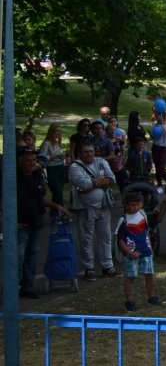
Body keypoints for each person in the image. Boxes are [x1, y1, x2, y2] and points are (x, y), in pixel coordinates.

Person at [18, 150, 70, 298]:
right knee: (18, 257)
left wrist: (57, 207)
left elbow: (42, 199)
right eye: (28, 160)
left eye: (34, 160)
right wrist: (11, 222)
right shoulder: (13, 178)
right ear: (21, 162)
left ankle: (27, 287)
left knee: (32, 257)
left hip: (37, 223)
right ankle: (11, 287)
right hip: (20, 224)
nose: (31, 163)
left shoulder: (38, 176)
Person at [69, 141, 118, 280]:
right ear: (79, 153)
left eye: (91, 151)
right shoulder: (75, 167)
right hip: (85, 209)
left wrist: (92, 184)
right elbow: (83, 184)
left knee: (105, 237)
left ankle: (107, 266)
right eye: (86, 152)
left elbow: (112, 179)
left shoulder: (101, 162)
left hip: (103, 207)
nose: (89, 154)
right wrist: (101, 180)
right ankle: (89, 268)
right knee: (86, 239)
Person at [117, 192, 164, 312]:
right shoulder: (123, 220)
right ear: (126, 205)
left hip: (145, 250)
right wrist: (129, 253)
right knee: (131, 276)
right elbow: (119, 240)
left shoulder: (142, 215)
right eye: (132, 205)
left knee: (149, 274)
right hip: (131, 253)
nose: (136, 207)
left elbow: (146, 232)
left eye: (138, 204)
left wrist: (150, 248)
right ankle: (129, 301)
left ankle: (152, 297)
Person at [37, 123, 68, 208]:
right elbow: (42, 157)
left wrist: (64, 157)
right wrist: (56, 156)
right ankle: (60, 212)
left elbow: (59, 156)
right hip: (51, 169)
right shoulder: (47, 143)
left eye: (60, 131)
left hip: (60, 167)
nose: (59, 133)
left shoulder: (57, 143)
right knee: (57, 191)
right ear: (52, 131)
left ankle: (55, 212)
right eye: (57, 131)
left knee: (59, 191)